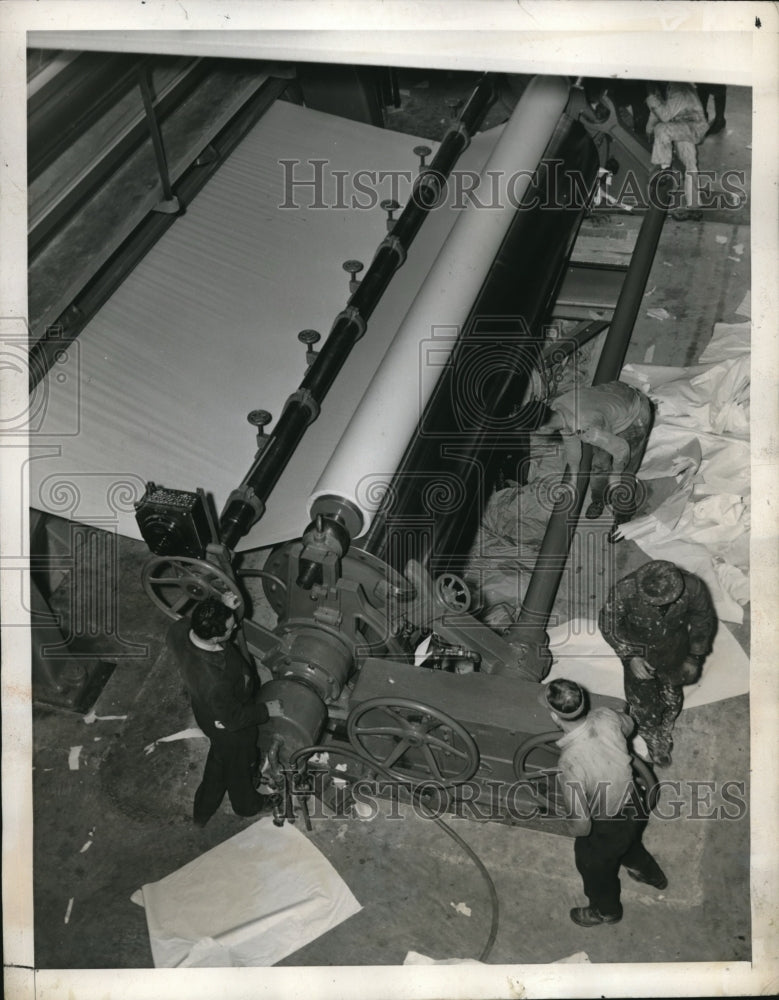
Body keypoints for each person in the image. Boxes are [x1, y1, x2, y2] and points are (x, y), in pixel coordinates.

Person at [541, 678, 667, 927]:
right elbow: (629, 726)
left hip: (607, 826)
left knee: (594, 869)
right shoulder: (606, 716)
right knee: (630, 843)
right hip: (635, 802)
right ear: (583, 701)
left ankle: (606, 911)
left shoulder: (570, 762)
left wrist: (565, 826)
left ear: (556, 718)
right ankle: (652, 875)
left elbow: (582, 826)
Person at [167, 596, 283, 826]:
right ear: (215, 637)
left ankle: (202, 810)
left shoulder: (179, 630)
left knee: (221, 760)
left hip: (209, 714)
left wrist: (222, 608)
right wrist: (266, 710)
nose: (236, 627)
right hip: (229, 727)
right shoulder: (213, 680)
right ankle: (247, 805)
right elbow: (234, 719)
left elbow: (201, 619)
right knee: (240, 764)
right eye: (231, 628)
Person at [598, 560, 717, 767]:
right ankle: (652, 735)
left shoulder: (693, 587)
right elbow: (608, 624)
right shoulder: (624, 591)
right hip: (639, 652)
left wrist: (694, 657)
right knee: (643, 703)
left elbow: (702, 619)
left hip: (674, 649)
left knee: (672, 698)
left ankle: (666, 725)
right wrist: (630, 656)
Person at [535, 381, 653, 541]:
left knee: (625, 473)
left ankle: (623, 516)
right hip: (613, 402)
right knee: (599, 464)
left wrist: (616, 474)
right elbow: (571, 443)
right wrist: (573, 479)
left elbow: (622, 449)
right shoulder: (557, 407)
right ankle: (600, 499)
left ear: (544, 428)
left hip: (636, 414)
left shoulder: (586, 428)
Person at [644, 81, 708, 218]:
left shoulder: (680, 89)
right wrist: (648, 130)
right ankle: (694, 207)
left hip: (692, 127)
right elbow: (657, 111)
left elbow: (664, 115)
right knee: (690, 164)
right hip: (684, 125)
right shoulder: (668, 87)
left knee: (661, 129)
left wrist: (650, 95)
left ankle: (665, 170)